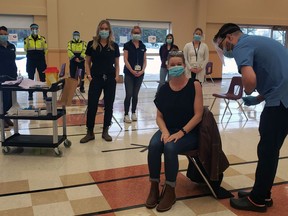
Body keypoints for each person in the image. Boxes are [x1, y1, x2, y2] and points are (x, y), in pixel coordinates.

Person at [213, 23, 288, 213]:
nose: (225, 51)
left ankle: (258, 199)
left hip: (280, 104)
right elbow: (277, 75)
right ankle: (263, 192)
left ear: (229, 38)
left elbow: (250, 79)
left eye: (222, 46)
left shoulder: (241, 46)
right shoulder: (262, 41)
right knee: (270, 151)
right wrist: (258, 98)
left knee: (267, 151)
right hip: (282, 98)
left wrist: (248, 89)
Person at [145, 51, 203, 212]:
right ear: (167, 66)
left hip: (189, 132)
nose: (176, 67)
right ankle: (154, 186)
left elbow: (198, 115)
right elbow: (159, 117)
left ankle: (170, 190)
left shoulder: (194, 85)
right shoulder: (163, 89)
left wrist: (181, 132)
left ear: (184, 66)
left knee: (170, 147)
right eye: (173, 65)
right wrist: (164, 131)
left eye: (179, 64)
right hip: (168, 129)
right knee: (154, 145)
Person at [80, 20, 120, 143]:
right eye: (102, 28)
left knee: (109, 105)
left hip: (110, 78)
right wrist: (89, 75)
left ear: (109, 31)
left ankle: (105, 130)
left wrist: (116, 76)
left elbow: (117, 64)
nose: (104, 31)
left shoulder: (114, 45)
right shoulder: (92, 44)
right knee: (92, 105)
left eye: (106, 29)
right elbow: (87, 61)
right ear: (98, 30)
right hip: (96, 78)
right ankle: (90, 132)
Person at [123, 26, 147, 123]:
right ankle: (126, 114)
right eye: (135, 33)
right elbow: (125, 59)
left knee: (135, 94)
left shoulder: (143, 46)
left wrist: (142, 70)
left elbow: (145, 60)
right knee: (129, 94)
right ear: (131, 34)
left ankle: (133, 112)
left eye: (138, 33)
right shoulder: (127, 45)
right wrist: (132, 70)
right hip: (129, 73)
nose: (136, 34)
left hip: (140, 74)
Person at [24, 23, 48, 100]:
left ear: (38, 29)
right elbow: (25, 49)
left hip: (40, 59)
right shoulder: (27, 39)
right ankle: (30, 94)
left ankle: (45, 94)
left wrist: (42, 55)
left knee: (42, 77)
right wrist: (29, 56)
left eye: (36, 28)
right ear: (30, 30)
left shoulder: (42, 39)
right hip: (31, 59)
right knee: (30, 77)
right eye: (33, 29)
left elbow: (46, 49)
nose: (35, 30)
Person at [0, 26, 17, 128]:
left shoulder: (12, 46)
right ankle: (2, 118)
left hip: (12, 76)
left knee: (11, 99)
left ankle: (7, 117)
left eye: (5, 34)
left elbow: (13, 60)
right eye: (1, 34)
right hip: (2, 76)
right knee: (4, 98)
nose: (3, 36)